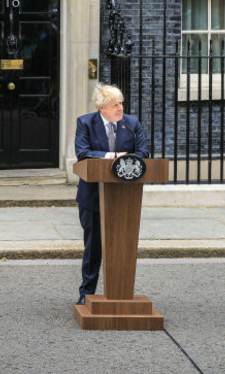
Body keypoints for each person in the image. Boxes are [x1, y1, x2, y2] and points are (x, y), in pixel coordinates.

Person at [74, 84, 148, 305]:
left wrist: (123, 159)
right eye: (115, 104)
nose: (120, 108)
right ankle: (86, 293)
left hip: (125, 197)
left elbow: (143, 152)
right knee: (94, 248)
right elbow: (83, 153)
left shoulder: (132, 123)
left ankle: (120, 293)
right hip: (93, 197)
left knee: (122, 246)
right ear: (102, 107)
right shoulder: (86, 122)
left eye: (121, 103)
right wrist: (112, 155)